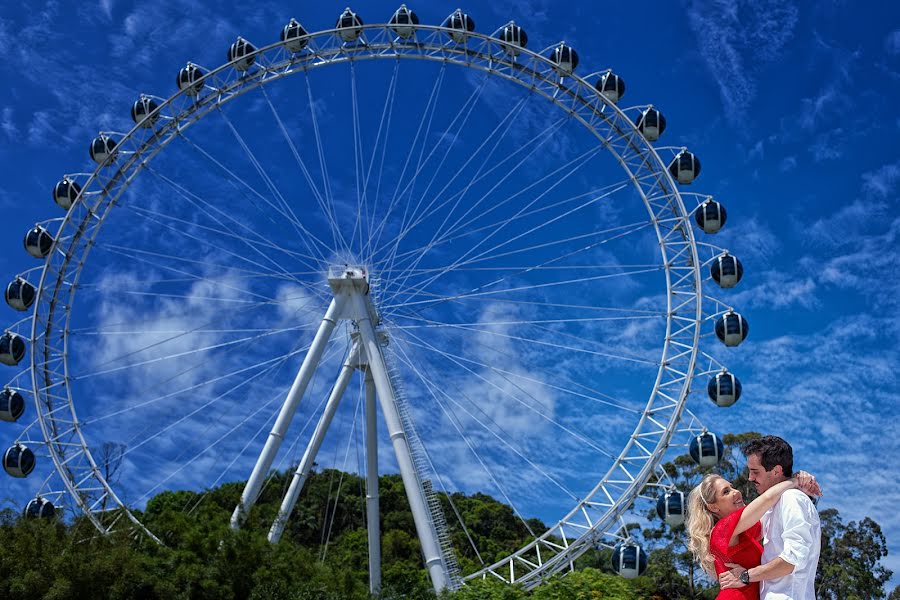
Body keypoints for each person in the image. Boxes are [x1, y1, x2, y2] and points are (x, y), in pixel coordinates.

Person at [686, 469, 820, 599]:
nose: (736, 492)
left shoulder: (744, 534)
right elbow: (768, 498)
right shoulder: (720, 531)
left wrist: (802, 480)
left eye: (732, 487)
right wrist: (794, 481)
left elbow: (771, 511)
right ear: (714, 507)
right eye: (726, 492)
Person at [718, 435, 822, 599]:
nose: (750, 478)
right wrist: (798, 478)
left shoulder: (792, 499)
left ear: (776, 471)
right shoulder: (773, 506)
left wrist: (745, 576)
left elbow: (792, 560)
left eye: (755, 472)